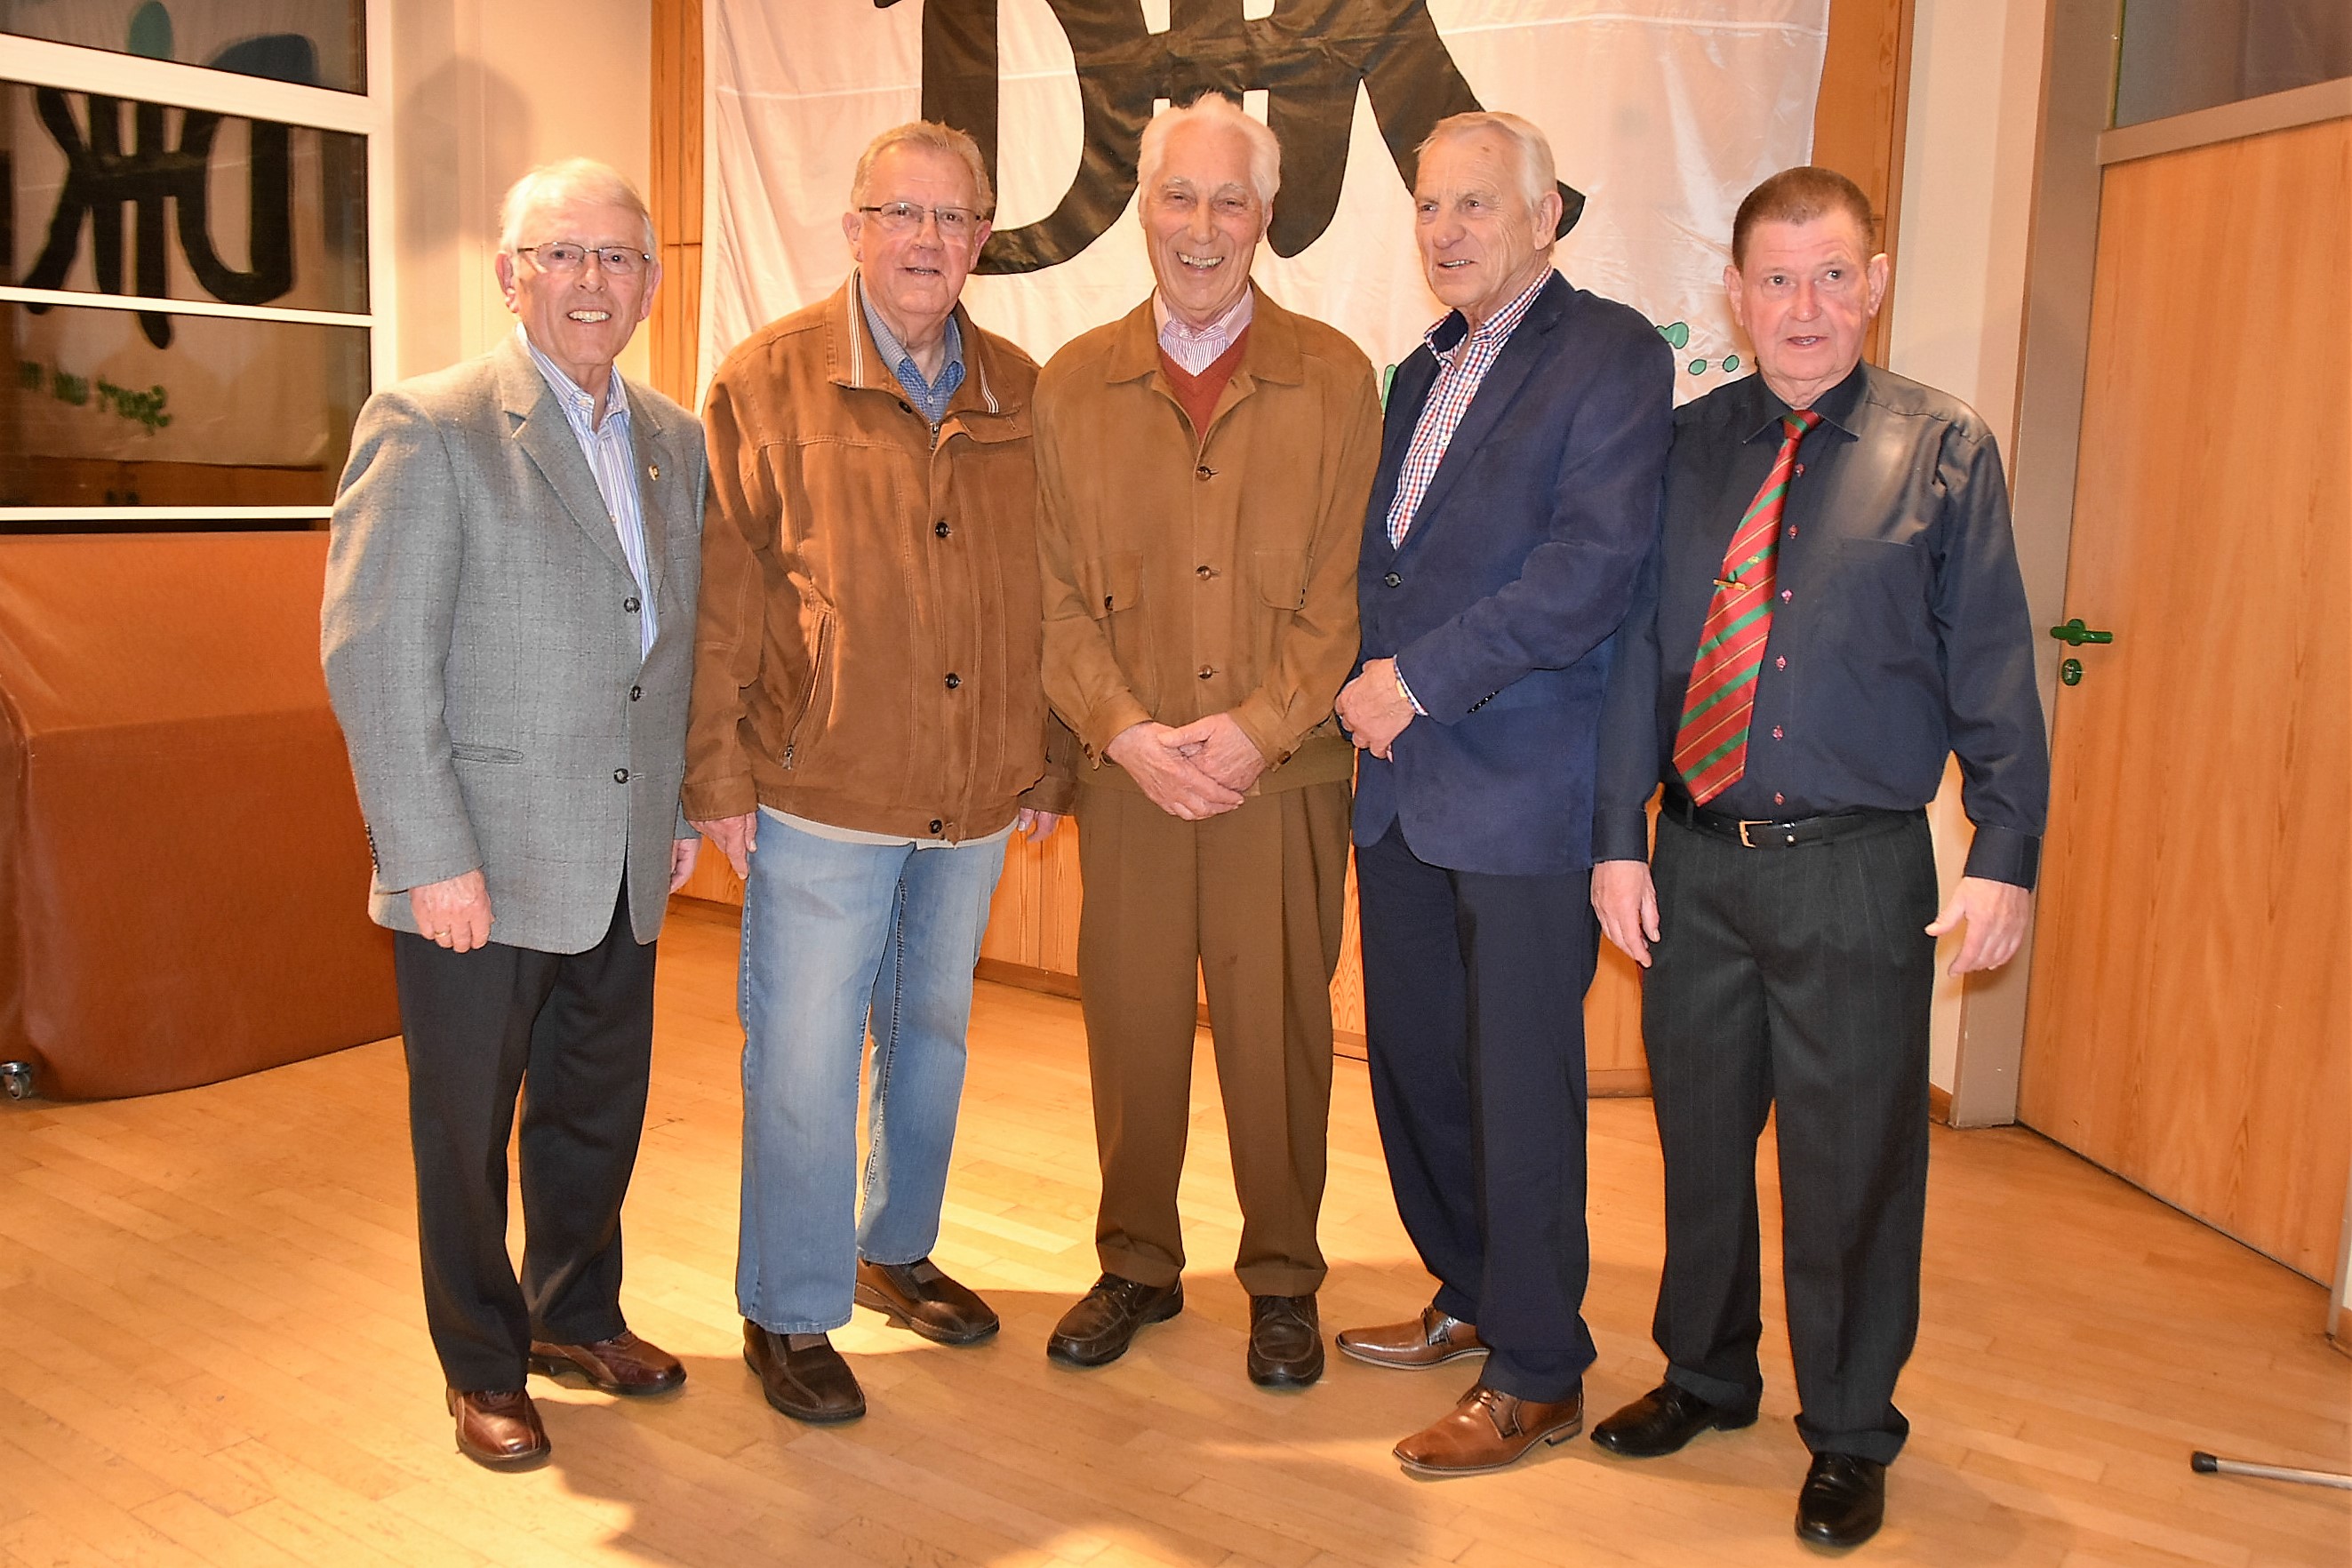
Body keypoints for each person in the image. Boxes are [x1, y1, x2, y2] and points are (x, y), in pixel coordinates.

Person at [1587, 165, 2048, 1548]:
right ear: (1734, 294)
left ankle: (1848, 1429)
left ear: (1874, 284)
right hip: (1694, 862)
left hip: (1856, 871)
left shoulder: (1943, 449)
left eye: (1831, 276)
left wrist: (2005, 849)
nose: (1804, 307)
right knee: (1699, 1141)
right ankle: (1705, 1375)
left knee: (1851, 1168)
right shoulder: (1680, 450)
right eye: (1777, 279)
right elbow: (1639, 658)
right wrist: (1617, 842)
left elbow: (1993, 662)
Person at [684, 122, 1072, 1426]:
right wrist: (715, 776)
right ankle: (788, 1308)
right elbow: (720, 599)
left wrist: (1049, 758)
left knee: (932, 1038)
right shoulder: (764, 381)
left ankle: (893, 1250)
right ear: (852, 229)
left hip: (974, 793)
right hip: (821, 789)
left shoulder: (1022, 390)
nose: (925, 240)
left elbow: (1056, 593)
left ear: (981, 239)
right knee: (802, 1057)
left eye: (951, 218)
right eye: (899, 213)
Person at [322, 159, 706, 1470]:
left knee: (596, 1108)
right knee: (465, 1131)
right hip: (476, 866)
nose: (593, 281)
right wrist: (428, 855)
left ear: (650, 284)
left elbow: (667, 644)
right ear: (511, 276)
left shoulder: (672, 439)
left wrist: (673, 807)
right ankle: (482, 1364)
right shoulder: (428, 426)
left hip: (620, 855)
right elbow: (374, 658)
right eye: (563, 254)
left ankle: (574, 1315)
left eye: (619, 257)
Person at [1332, 110, 1673, 1476]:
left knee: (1522, 1090)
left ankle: (1538, 1370)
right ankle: (1470, 1292)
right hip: (1400, 794)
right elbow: (1391, 566)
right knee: (1419, 1068)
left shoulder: (1611, 354)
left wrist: (1412, 682)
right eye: (1429, 205)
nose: (1446, 229)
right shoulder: (1421, 370)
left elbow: (1588, 573)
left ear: (1545, 216)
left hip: (1525, 793)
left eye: (1476, 203)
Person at [1032, 92, 1380, 1388]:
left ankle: (1282, 1277)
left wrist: (1255, 732)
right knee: (1129, 1029)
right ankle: (1136, 1262)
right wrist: (1123, 734)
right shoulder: (1071, 385)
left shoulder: (1337, 378)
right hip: (1126, 778)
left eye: (1231, 199)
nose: (1202, 225)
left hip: (1280, 782)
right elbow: (1050, 596)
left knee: (1278, 1032)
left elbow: (1346, 595)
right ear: (1141, 206)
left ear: (1267, 216)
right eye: (1179, 194)